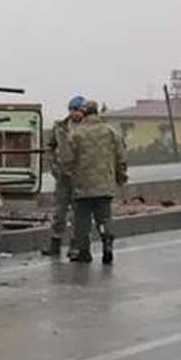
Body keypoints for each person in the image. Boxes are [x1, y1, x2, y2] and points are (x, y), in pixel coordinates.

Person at [61, 100, 127, 264]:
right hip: (104, 185)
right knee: (104, 218)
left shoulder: (76, 134)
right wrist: (120, 176)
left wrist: (69, 177)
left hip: (82, 186)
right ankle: (107, 242)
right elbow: (121, 157)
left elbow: (67, 160)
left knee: (82, 220)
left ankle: (84, 252)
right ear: (97, 112)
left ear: (83, 113)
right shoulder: (110, 132)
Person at [44, 96, 85, 258]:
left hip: (80, 176)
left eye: (77, 110)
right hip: (62, 175)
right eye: (72, 109)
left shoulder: (88, 128)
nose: (74, 113)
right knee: (59, 211)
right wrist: (53, 165)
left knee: (78, 213)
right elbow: (50, 146)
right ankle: (55, 244)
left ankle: (75, 245)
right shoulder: (60, 127)